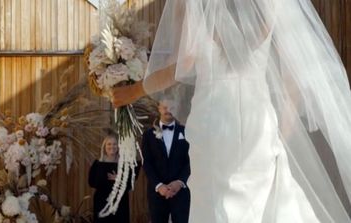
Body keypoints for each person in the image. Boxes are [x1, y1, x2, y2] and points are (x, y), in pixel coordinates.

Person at [111, 0, 351, 222]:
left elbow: (181, 66)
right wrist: (280, 133)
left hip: (213, 122)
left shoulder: (194, 4)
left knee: (214, 205)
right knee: (268, 198)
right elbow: (293, 84)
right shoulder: (272, 6)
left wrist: (133, 91)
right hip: (258, 120)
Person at [142, 100, 191, 223]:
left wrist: (179, 182)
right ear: (159, 108)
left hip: (180, 192)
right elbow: (147, 162)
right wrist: (159, 186)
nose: (168, 110)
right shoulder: (148, 135)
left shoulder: (186, 132)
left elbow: (190, 160)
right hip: (157, 193)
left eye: (172, 107)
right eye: (165, 107)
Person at [89, 134, 139, 223]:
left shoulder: (125, 164)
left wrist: (119, 179)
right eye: (109, 144)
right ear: (104, 146)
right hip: (102, 201)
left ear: (118, 146)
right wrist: (105, 178)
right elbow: (91, 182)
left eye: (115, 144)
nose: (112, 146)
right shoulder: (97, 164)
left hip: (120, 202)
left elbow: (130, 184)